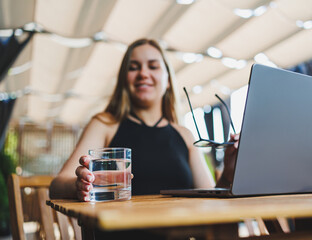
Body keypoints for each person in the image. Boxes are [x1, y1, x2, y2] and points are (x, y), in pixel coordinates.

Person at [49, 38, 238, 201]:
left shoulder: (185, 135)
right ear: (125, 80)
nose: (143, 73)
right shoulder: (104, 124)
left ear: (168, 80)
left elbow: (209, 197)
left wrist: (228, 176)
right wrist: (80, 184)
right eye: (133, 68)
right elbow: (57, 186)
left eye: (153, 66)